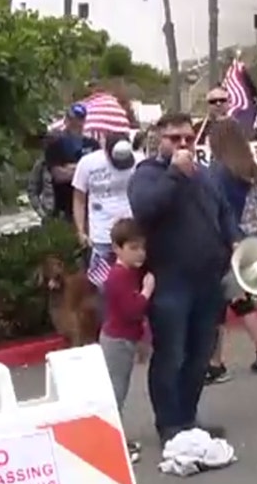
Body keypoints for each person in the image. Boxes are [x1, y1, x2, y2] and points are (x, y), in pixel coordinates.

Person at [127, 111, 239, 443]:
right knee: (171, 354)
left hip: (208, 279)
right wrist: (175, 174)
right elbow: (145, 208)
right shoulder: (147, 175)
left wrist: (235, 238)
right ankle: (169, 425)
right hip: (170, 280)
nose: (183, 143)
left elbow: (224, 212)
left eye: (188, 137)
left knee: (200, 353)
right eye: (174, 138)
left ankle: (188, 418)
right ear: (158, 140)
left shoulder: (204, 176)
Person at [203, 118, 257, 382]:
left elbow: (217, 211)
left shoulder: (217, 172)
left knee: (220, 302)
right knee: (238, 298)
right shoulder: (250, 169)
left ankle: (217, 363)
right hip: (254, 240)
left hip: (229, 240)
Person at [99, 217, 151, 464]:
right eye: (133, 248)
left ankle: (117, 439)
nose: (139, 253)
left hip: (126, 339)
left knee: (120, 389)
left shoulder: (129, 273)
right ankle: (113, 444)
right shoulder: (118, 277)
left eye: (142, 247)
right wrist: (147, 291)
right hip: (117, 341)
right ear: (117, 248)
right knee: (115, 393)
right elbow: (132, 310)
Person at [72, 132, 137, 293]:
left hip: (130, 232)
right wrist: (81, 231)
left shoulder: (137, 161)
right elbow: (79, 198)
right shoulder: (88, 163)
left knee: (131, 283)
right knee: (104, 286)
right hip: (101, 235)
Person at [44, 103, 100, 222]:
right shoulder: (55, 145)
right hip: (64, 206)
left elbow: (98, 174)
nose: (75, 124)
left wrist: (72, 168)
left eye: (79, 120)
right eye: (71, 119)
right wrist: (85, 169)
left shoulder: (93, 145)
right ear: (66, 120)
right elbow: (59, 175)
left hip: (90, 207)